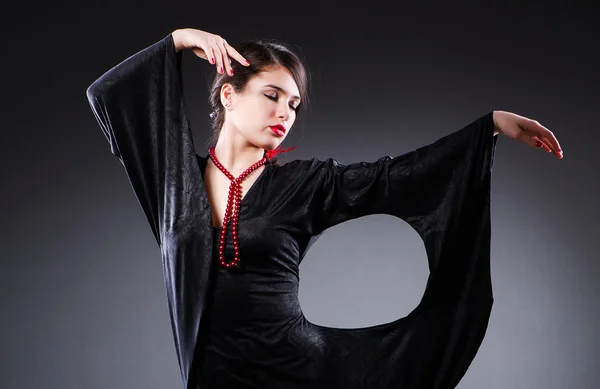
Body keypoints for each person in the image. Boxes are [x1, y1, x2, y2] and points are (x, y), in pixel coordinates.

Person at [85, 28, 563, 389]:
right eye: (271, 96)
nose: (284, 114)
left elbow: (394, 177)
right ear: (228, 95)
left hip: (299, 372)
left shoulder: (305, 182)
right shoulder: (173, 179)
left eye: (293, 105)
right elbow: (107, 97)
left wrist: (492, 127)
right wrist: (178, 39)